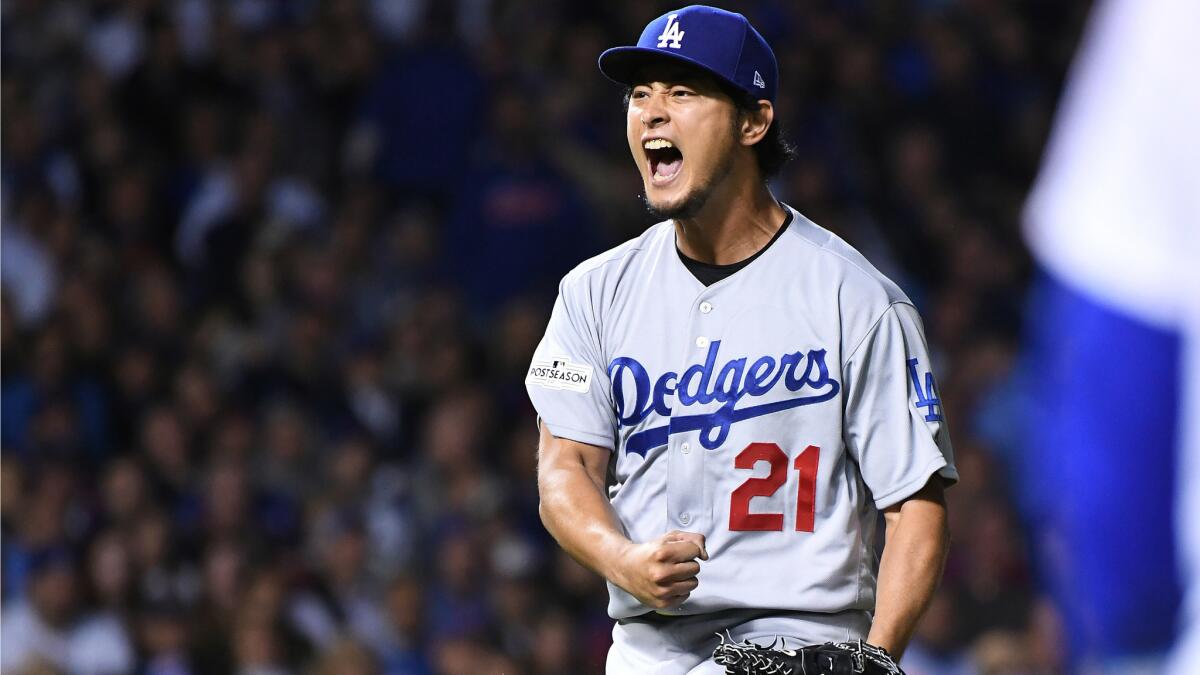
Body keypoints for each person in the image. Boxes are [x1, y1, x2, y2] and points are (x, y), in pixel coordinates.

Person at [525, 5, 957, 673]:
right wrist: (625, 561)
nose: (652, 113)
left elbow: (915, 508)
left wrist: (877, 659)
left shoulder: (856, 297)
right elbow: (564, 470)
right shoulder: (592, 293)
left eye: (683, 91)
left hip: (806, 643)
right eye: (640, 94)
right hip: (647, 648)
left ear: (755, 121)